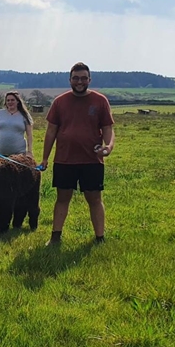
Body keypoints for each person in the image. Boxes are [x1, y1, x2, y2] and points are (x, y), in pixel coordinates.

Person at [40, 62, 115, 245]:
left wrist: (109, 147)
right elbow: (51, 131)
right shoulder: (60, 101)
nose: (79, 81)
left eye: (83, 78)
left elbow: (108, 128)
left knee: (94, 198)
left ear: (89, 79)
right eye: (76, 78)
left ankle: (100, 238)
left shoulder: (100, 101)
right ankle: (55, 237)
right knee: (62, 198)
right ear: (70, 80)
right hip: (64, 159)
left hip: (92, 160)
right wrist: (45, 158)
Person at [0, 90, 34, 158]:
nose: (10, 102)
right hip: (0, 154)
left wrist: (29, 151)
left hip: (18, 155)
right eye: (8, 100)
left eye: (12, 100)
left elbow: (29, 135)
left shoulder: (24, 115)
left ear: (18, 101)